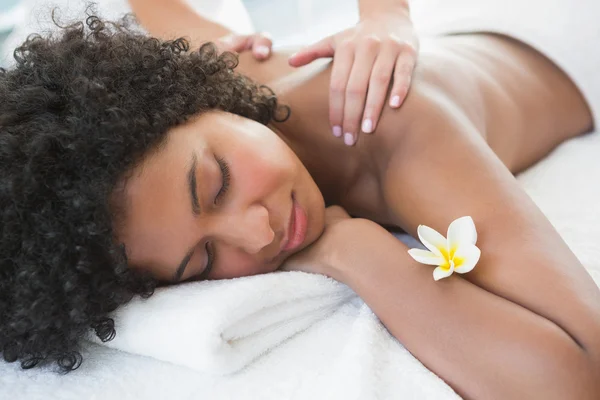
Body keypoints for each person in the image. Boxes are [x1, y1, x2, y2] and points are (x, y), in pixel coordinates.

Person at [0, 2, 599, 399]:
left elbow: (582, 373)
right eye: (205, 260)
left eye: (217, 184)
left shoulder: (392, 127)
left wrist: (362, 256)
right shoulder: (204, 114)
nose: (258, 233)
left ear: (200, 98)